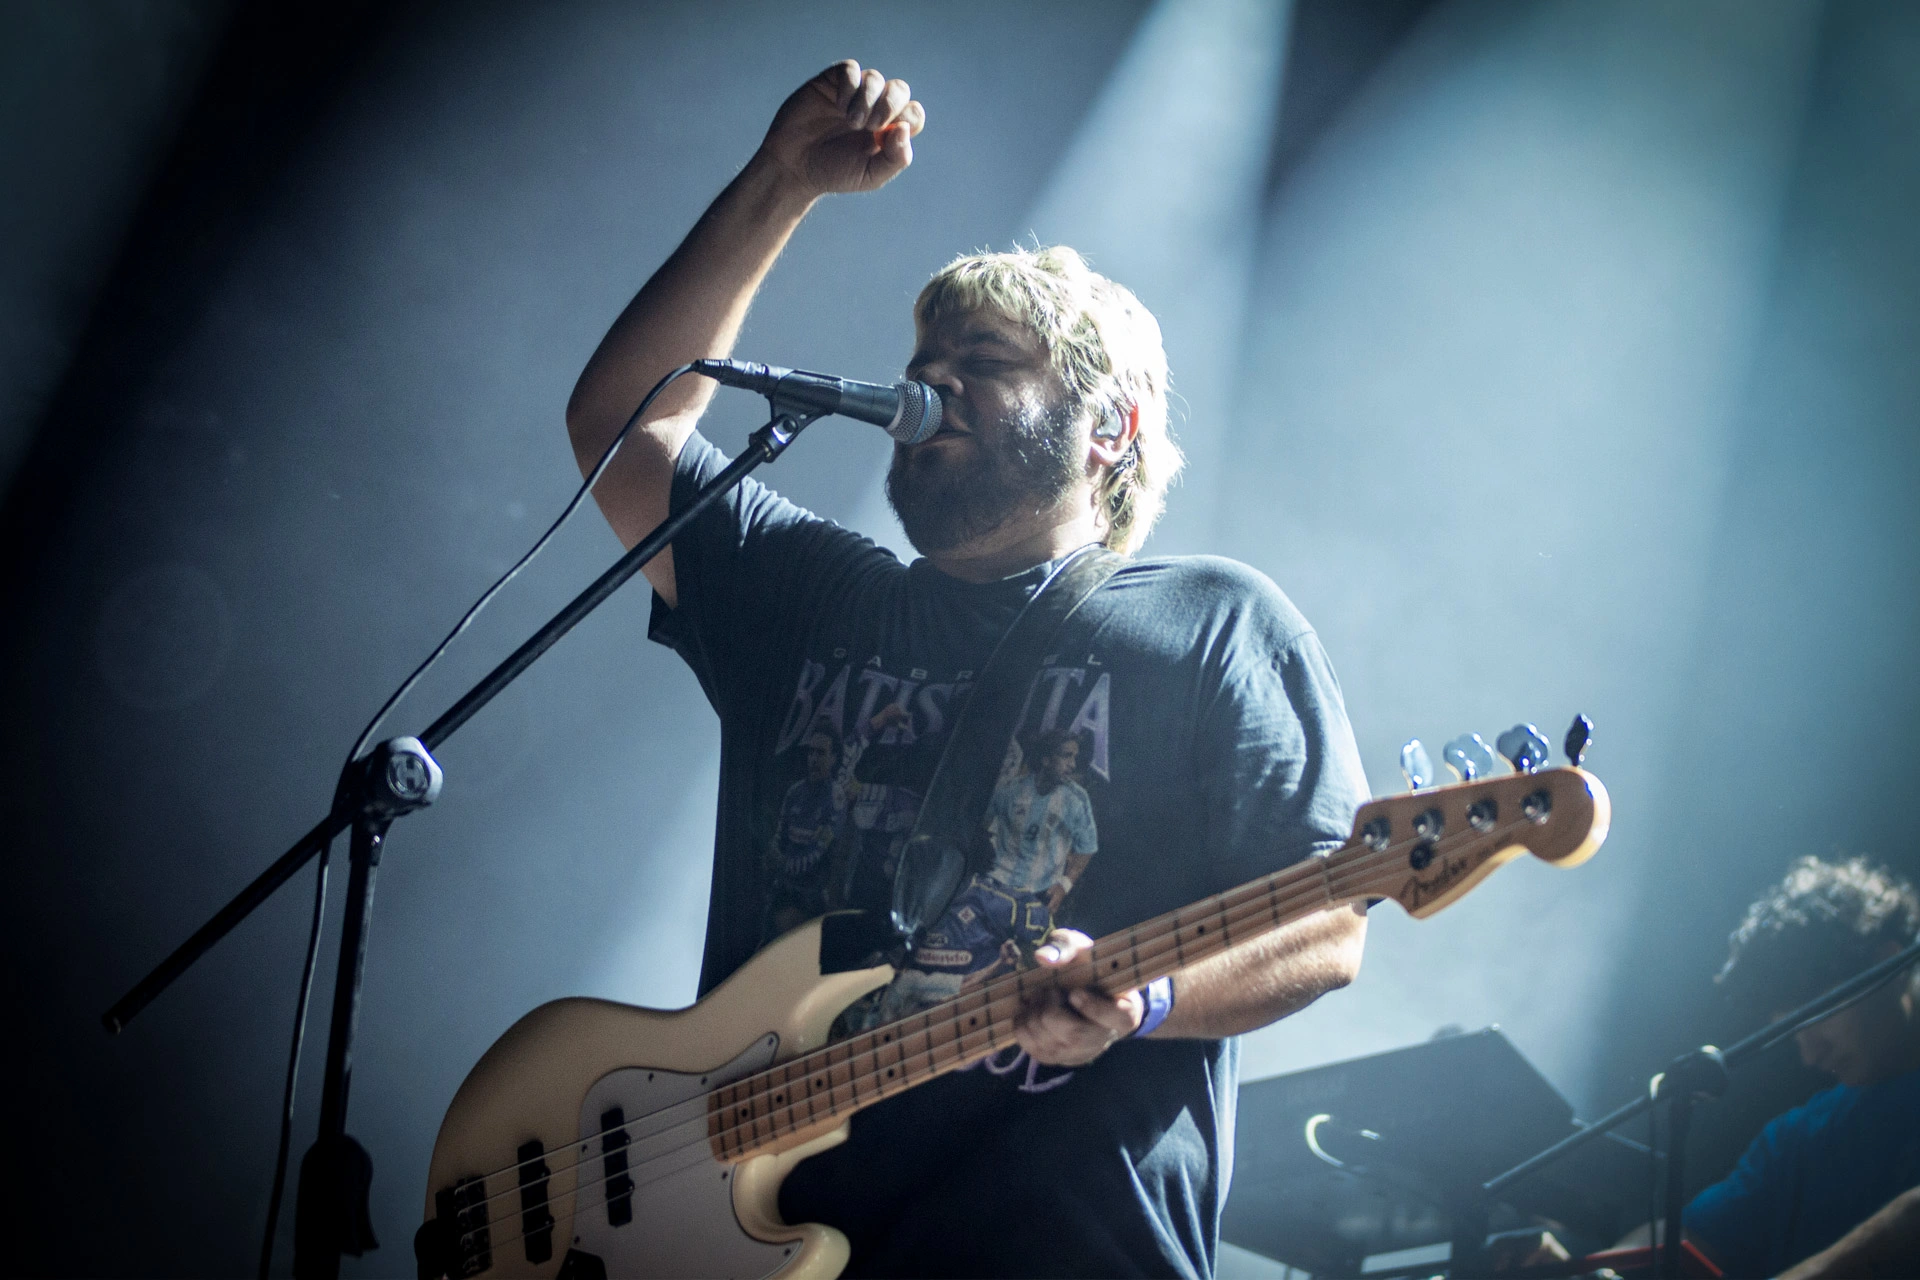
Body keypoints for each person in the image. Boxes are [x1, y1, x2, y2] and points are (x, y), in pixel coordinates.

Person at [566, 59, 1371, 1279]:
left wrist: (1141, 1000)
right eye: (927, 353)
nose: (929, 379)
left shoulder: (1214, 622)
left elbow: (1326, 921)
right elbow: (625, 423)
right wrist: (780, 183)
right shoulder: (819, 595)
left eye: (984, 359)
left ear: (1110, 429)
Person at [1682, 856, 1920, 1278]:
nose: (1810, 1055)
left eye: (1816, 1018)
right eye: (1793, 1033)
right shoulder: (1797, 1140)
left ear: (1888, 963)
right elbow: (1692, 1240)